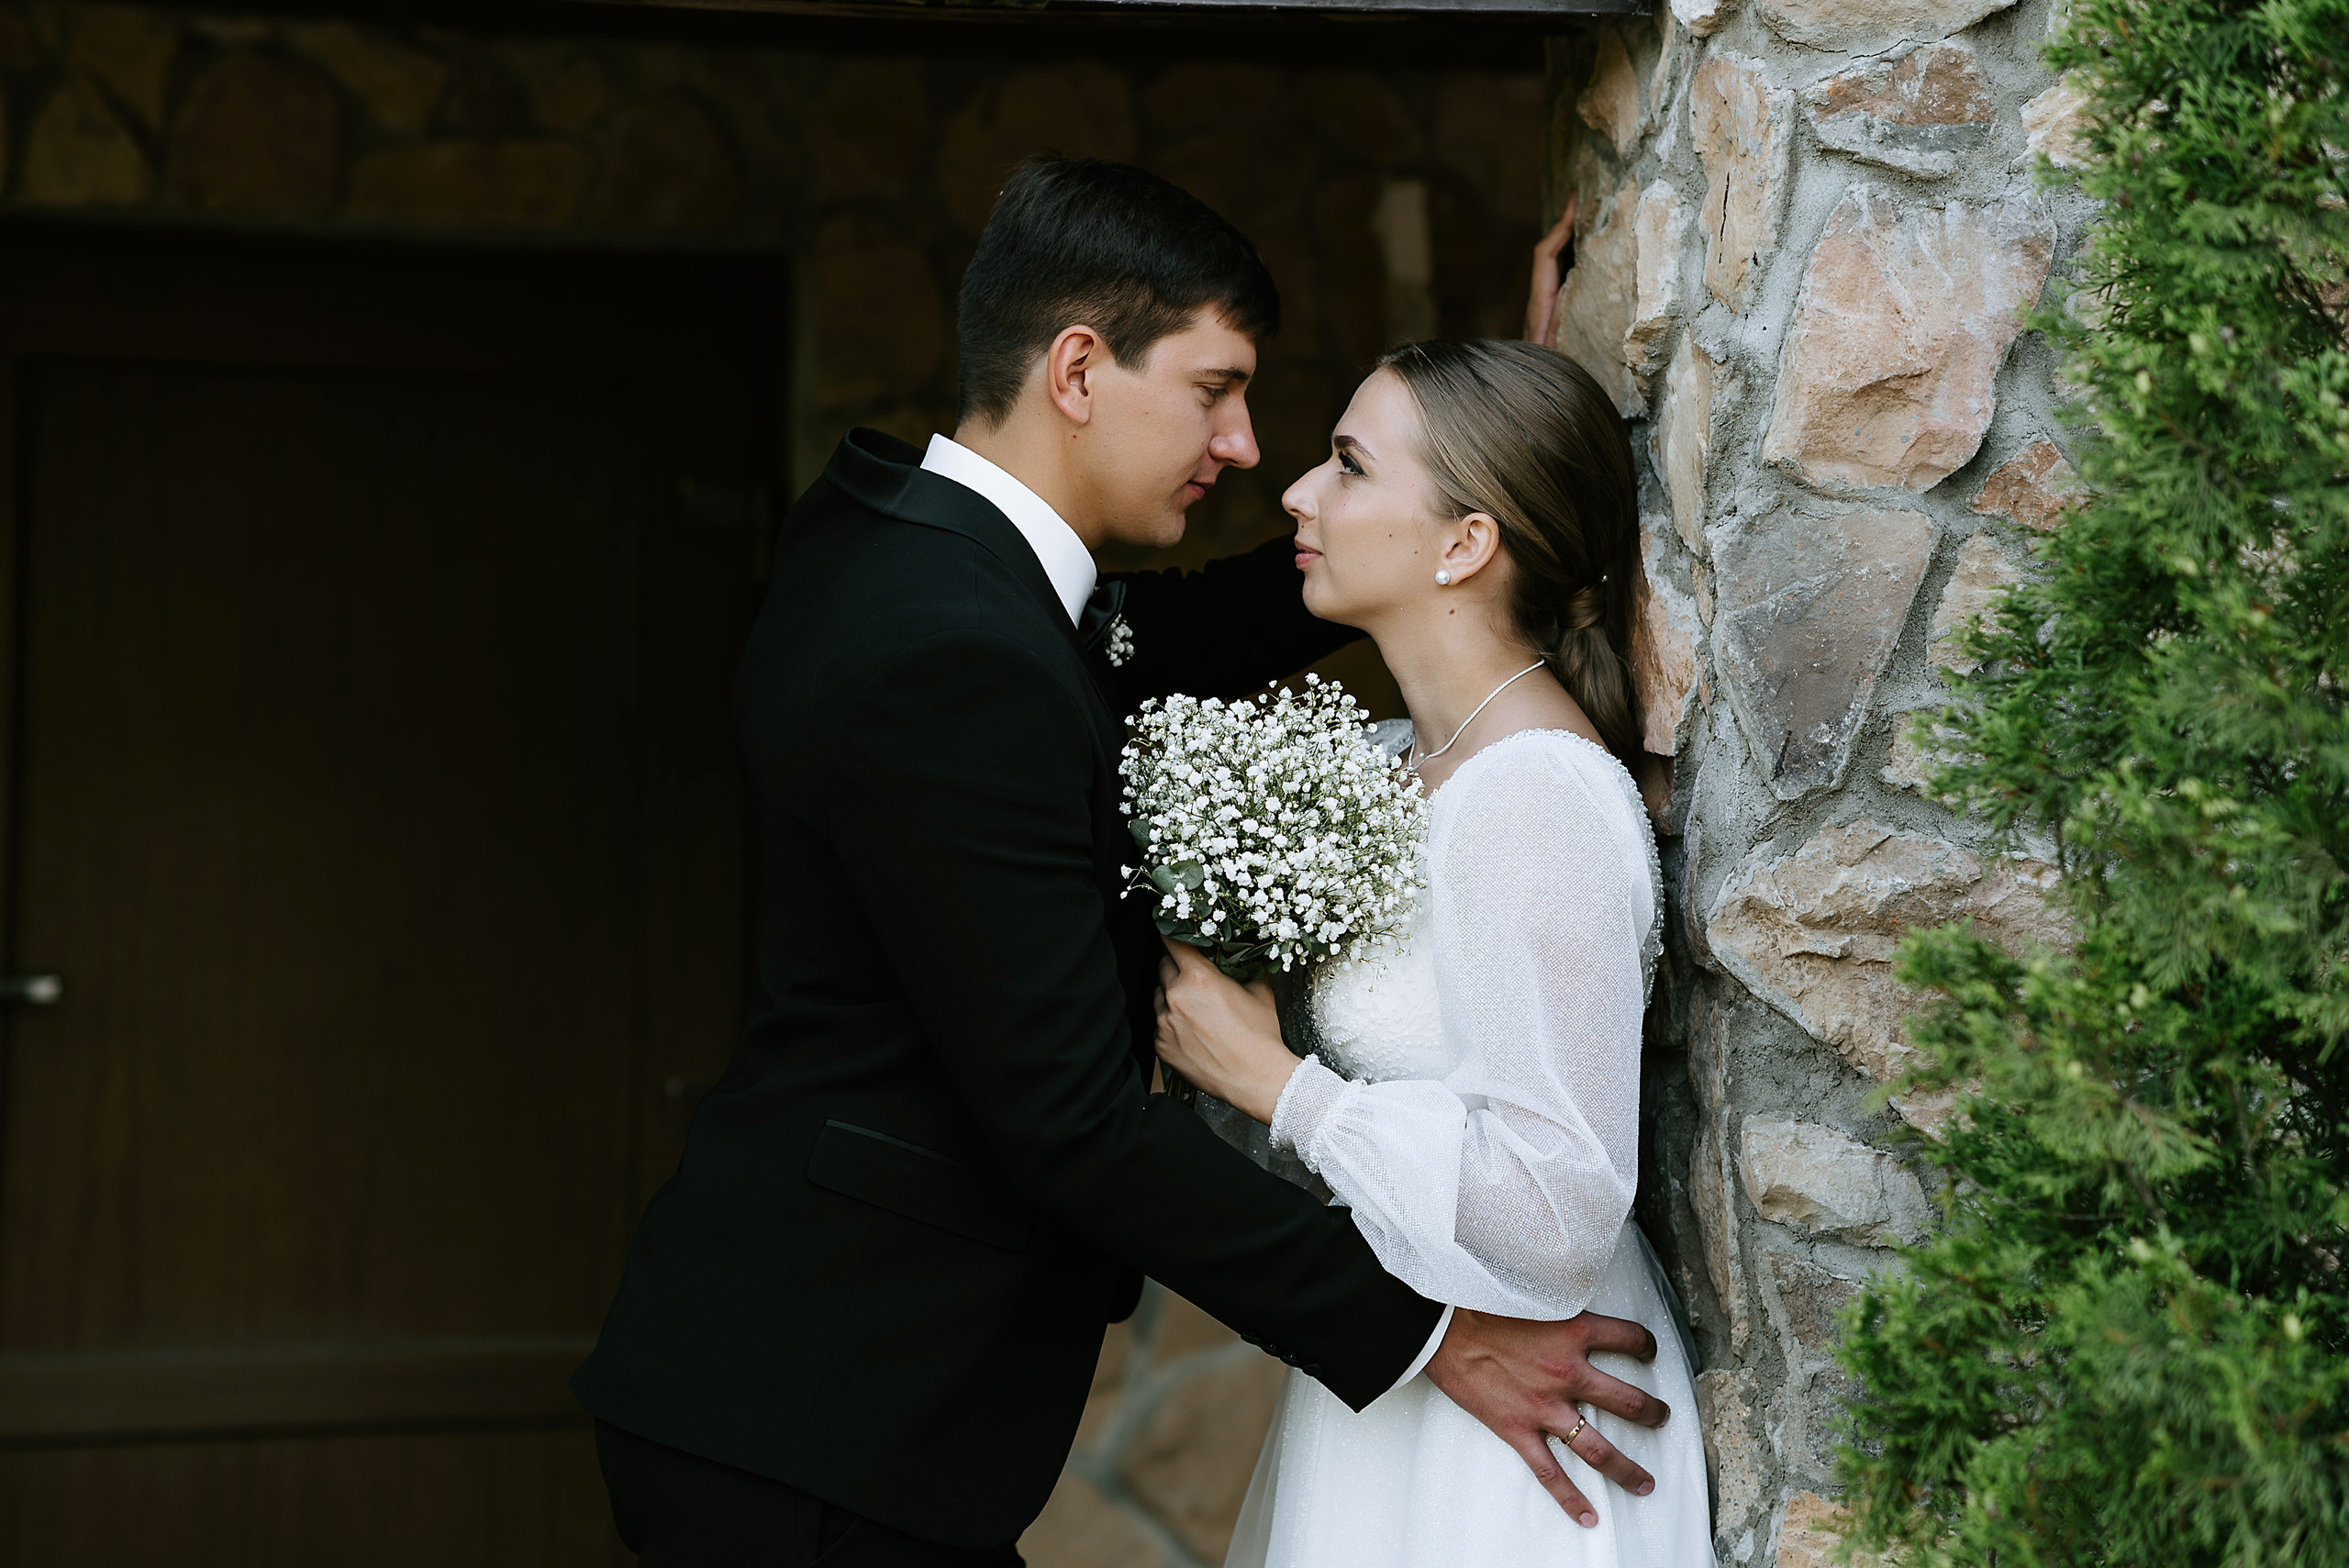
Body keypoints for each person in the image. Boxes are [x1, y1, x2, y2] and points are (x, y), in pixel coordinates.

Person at [570, 157, 1672, 1567]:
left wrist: (1488, 447)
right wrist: (1428, 1337)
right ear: (1081, 369)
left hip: (804, 1401)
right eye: (1216, 389)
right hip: (816, 1418)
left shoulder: (915, 552)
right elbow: (1073, 1123)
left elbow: (1183, 633)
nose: (1247, 446)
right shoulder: (956, 650)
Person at [1152, 337, 1713, 1567]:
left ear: (1466, 544)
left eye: (1349, 466)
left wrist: (1281, 1085)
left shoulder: (1536, 798)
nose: (1298, 492)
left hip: (1515, 1459)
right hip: (1419, 1384)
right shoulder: (1396, 765)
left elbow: (1564, 1204)